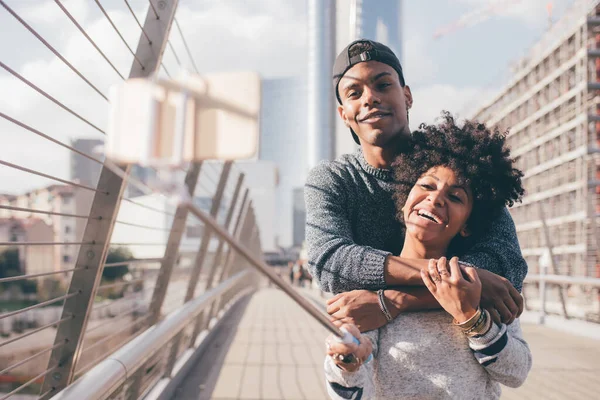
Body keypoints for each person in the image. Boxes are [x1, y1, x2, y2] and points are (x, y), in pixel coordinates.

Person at [304, 39, 526, 332]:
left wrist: (394, 301)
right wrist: (467, 276)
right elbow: (330, 262)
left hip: (461, 349)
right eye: (354, 93)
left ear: (407, 96)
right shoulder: (333, 179)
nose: (369, 98)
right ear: (343, 113)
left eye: (383, 85)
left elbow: (505, 263)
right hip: (367, 356)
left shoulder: (454, 163)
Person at [323, 113, 532, 399]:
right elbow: (353, 394)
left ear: (469, 225)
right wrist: (347, 363)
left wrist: (471, 317)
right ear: (405, 197)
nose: (435, 198)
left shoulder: (481, 290)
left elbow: (517, 373)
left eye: (455, 197)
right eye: (426, 185)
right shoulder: (368, 292)